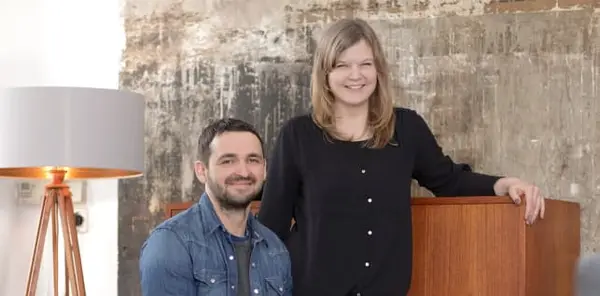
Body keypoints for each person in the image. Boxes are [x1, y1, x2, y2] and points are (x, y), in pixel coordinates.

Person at [257, 18, 546, 296]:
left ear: (379, 70)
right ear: (325, 75)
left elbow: (449, 180)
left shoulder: (407, 129)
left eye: (365, 64)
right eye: (342, 65)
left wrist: (505, 185)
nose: (355, 75)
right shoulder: (297, 136)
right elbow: (271, 230)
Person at [139, 118, 293, 296]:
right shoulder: (171, 243)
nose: (243, 172)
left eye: (253, 160)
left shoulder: (275, 248)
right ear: (201, 171)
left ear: (265, 169)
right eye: (228, 161)